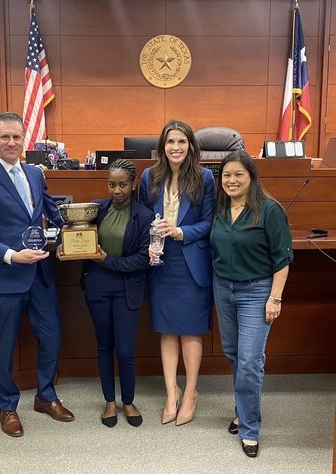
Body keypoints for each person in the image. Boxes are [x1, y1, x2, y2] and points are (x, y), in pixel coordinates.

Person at [0, 112, 74, 438]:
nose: (12, 143)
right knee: (5, 345)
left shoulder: (35, 173)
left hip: (40, 273)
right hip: (6, 276)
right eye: (5, 137)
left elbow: (51, 212)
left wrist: (85, 224)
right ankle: (8, 406)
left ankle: (46, 395)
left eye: (17, 137)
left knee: (52, 335)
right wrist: (12, 255)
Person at [210, 150, 293, 458]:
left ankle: (250, 428)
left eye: (238, 175)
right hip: (223, 288)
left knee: (249, 360)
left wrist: (275, 297)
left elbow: (282, 258)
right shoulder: (219, 207)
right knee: (234, 354)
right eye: (226, 175)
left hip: (257, 291)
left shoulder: (269, 210)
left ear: (251, 177)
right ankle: (243, 408)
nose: (231, 180)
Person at [139, 119, 215, 426]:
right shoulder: (149, 176)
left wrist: (180, 231)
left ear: (191, 146)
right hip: (161, 262)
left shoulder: (205, 177)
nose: (175, 147)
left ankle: (192, 391)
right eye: (170, 142)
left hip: (190, 263)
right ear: (162, 147)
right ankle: (172, 392)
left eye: (182, 142)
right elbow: (143, 217)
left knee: (190, 330)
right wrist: (150, 241)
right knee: (167, 329)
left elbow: (210, 223)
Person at [80, 159, 154, 428]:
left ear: (134, 184)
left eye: (123, 185)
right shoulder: (96, 210)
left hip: (128, 287)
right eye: (112, 184)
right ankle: (110, 401)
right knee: (104, 346)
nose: (117, 190)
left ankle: (128, 400)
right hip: (98, 285)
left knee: (125, 350)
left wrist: (106, 260)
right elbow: (78, 235)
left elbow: (143, 260)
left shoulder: (144, 216)